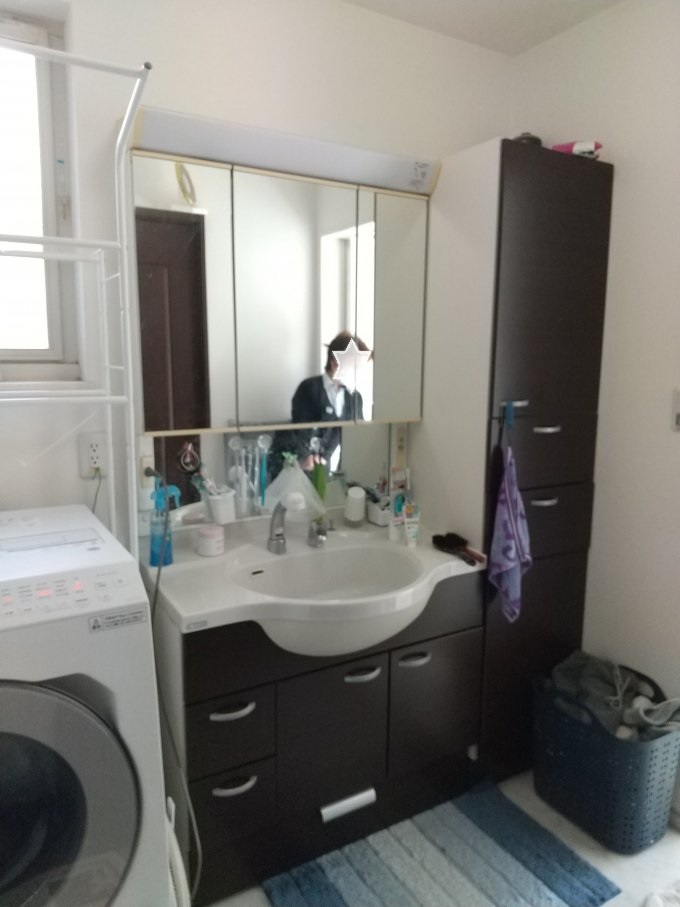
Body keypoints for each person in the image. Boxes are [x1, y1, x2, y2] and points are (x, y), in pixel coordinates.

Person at [269, 331, 372, 479]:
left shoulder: (355, 398)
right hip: (297, 465)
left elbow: (356, 438)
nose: (357, 372)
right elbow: (301, 427)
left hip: (329, 470)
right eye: (353, 366)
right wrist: (307, 456)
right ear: (334, 363)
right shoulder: (309, 388)